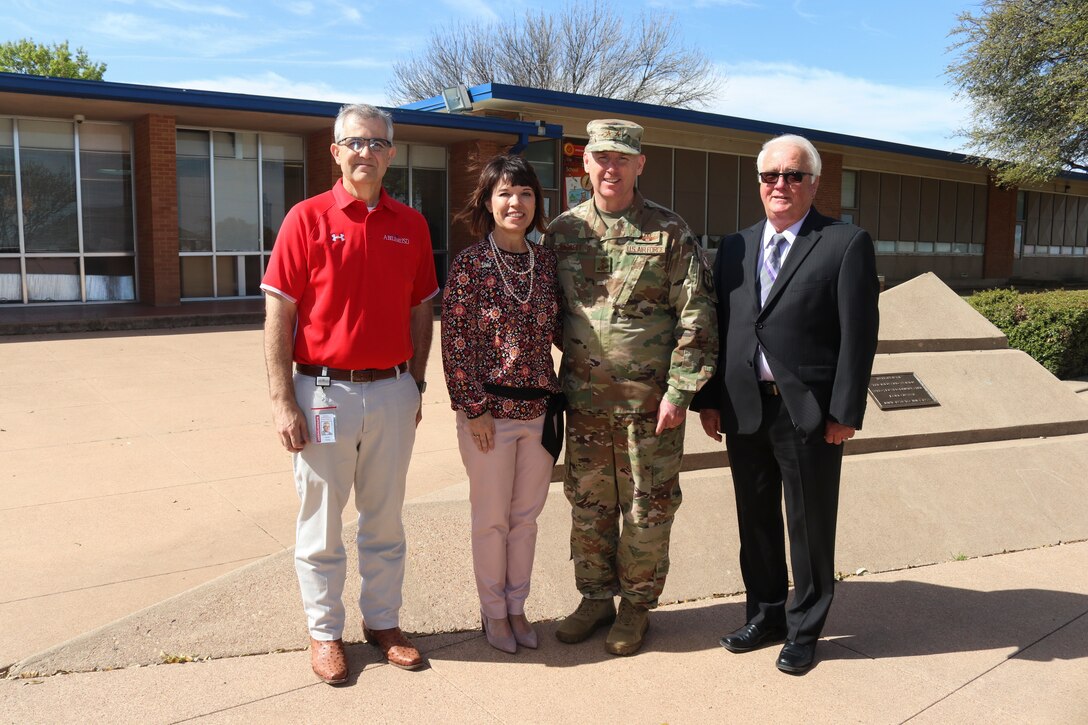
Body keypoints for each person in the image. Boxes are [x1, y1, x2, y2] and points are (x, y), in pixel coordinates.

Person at [261, 103, 438, 685]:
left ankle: (383, 624)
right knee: (321, 523)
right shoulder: (305, 219)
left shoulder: (410, 224)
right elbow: (278, 316)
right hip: (322, 393)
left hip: (390, 391)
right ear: (335, 151)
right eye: (355, 142)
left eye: (378, 143)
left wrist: (415, 385)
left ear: (392, 153)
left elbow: (421, 311)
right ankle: (324, 633)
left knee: (385, 519)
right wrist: (284, 399)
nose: (367, 152)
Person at [691, 134, 880, 675]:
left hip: (810, 414)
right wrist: (710, 400)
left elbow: (859, 335)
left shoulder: (845, 243)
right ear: (758, 182)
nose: (781, 185)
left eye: (794, 175)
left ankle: (805, 628)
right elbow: (720, 327)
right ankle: (766, 613)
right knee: (755, 523)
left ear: (814, 183)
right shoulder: (735, 246)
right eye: (771, 175)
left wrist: (845, 412)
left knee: (809, 526)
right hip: (745, 408)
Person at [545, 119, 717, 656]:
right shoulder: (562, 232)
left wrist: (680, 391)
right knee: (589, 505)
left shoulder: (669, 232)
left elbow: (697, 317)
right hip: (586, 404)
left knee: (647, 508)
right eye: (600, 157)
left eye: (621, 158)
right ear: (586, 163)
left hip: (650, 407)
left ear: (640, 164)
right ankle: (595, 598)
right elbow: (547, 314)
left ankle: (637, 607)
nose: (610, 167)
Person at [441, 154, 562, 654]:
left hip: (541, 414)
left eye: (526, 193)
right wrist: (473, 409)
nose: (517, 203)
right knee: (491, 519)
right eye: (505, 194)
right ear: (489, 203)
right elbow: (456, 341)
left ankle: (517, 607)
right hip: (489, 416)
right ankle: (493, 613)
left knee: (526, 520)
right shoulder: (470, 264)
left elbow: (564, 331)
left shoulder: (547, 261)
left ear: (537, 202)